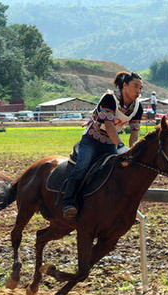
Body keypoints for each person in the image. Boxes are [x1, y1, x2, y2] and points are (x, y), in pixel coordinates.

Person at [62, 71, 143, 219]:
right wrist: (120, 146)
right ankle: (68, 202)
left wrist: (132, 150)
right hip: (92, 140)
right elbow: (109, 125)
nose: (138, 91)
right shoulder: (109, 98)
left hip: (111, 142)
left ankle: (124, 210)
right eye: (135, 86)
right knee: (82, 166)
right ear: (124, 85)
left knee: (122, 172)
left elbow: (134, 132)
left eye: (141, 88)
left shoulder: (138, 107)